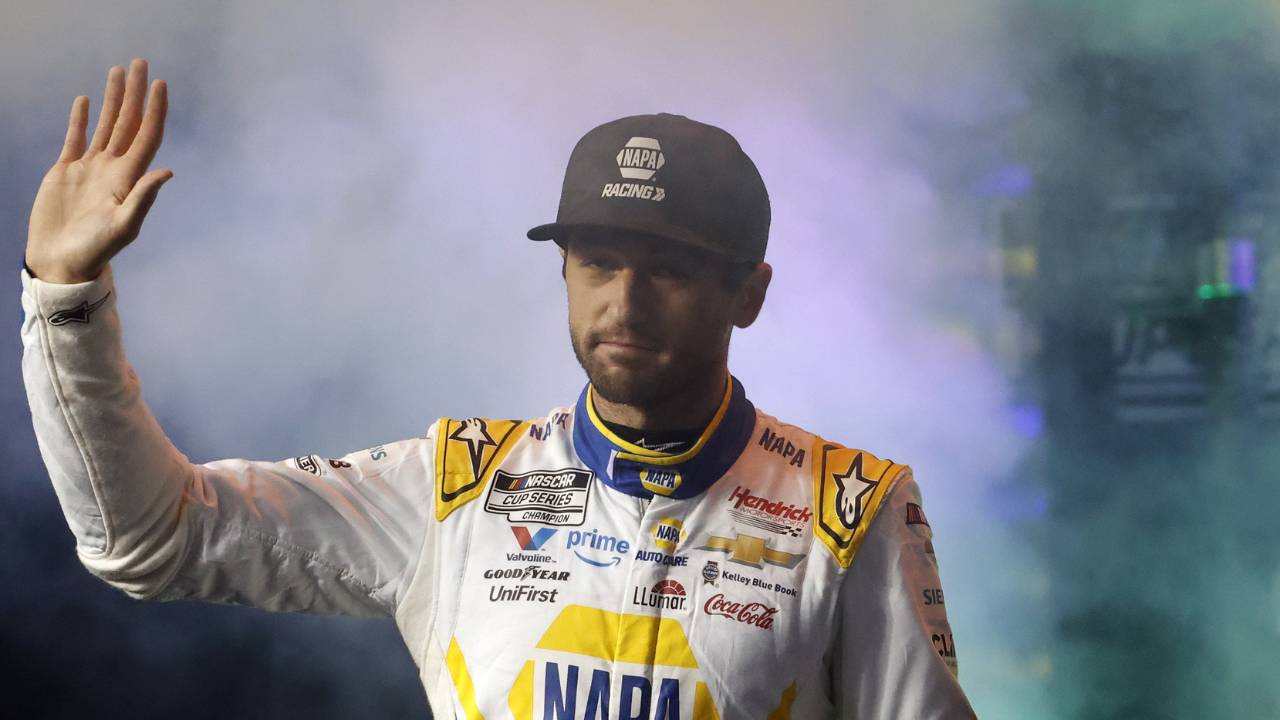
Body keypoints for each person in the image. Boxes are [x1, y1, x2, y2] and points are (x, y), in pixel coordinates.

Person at [21, 59, 975, 719]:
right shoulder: (459, 484)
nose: (626, 300)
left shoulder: (853, 509)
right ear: (563, 271)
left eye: (671, 271)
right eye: (598, 261)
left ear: (751, 294)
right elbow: (149, 537)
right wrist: (65, 304)